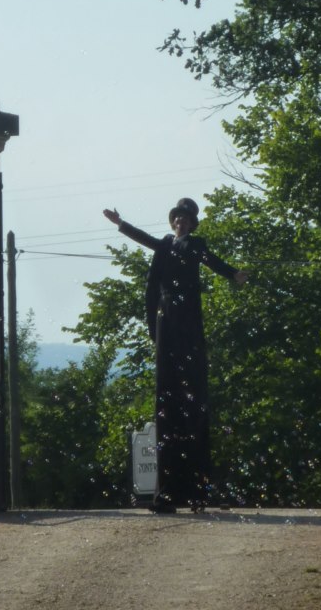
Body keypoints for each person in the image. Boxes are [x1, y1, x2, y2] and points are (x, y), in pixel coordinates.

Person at [103, 198, 248, 513]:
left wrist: (233, 274)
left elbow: (211, 261)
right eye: (178, 218)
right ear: (173, 222)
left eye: (186, 219)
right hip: (166, 319)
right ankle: (167, 494)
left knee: (191, 396)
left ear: (192, 224)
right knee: (166, 398)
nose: (181, 222)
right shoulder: (165, 245)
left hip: (187, 321)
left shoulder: (195, 245)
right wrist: (121, 224)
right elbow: (148, 247)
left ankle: (196, 493)